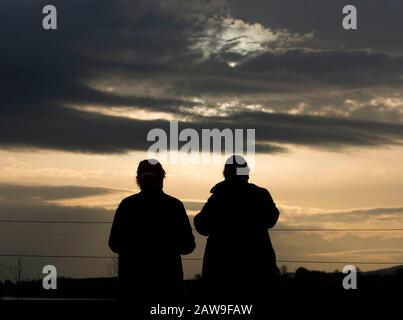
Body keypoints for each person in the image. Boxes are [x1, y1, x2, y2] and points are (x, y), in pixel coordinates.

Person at [194, 155, 280, 298]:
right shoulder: (260, 194)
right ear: (246, 173)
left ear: (225, 174)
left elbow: (201, 225)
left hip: (222, 270)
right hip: (257, 268)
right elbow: (272, 219)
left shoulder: (218, 196)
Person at [108, 159, 195, 301]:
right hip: (168, 286)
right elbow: (188, 246)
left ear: (138, 180)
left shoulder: (127, 205)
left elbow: (114, 244)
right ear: (162, 178)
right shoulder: (174, 206)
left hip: (132, 287)